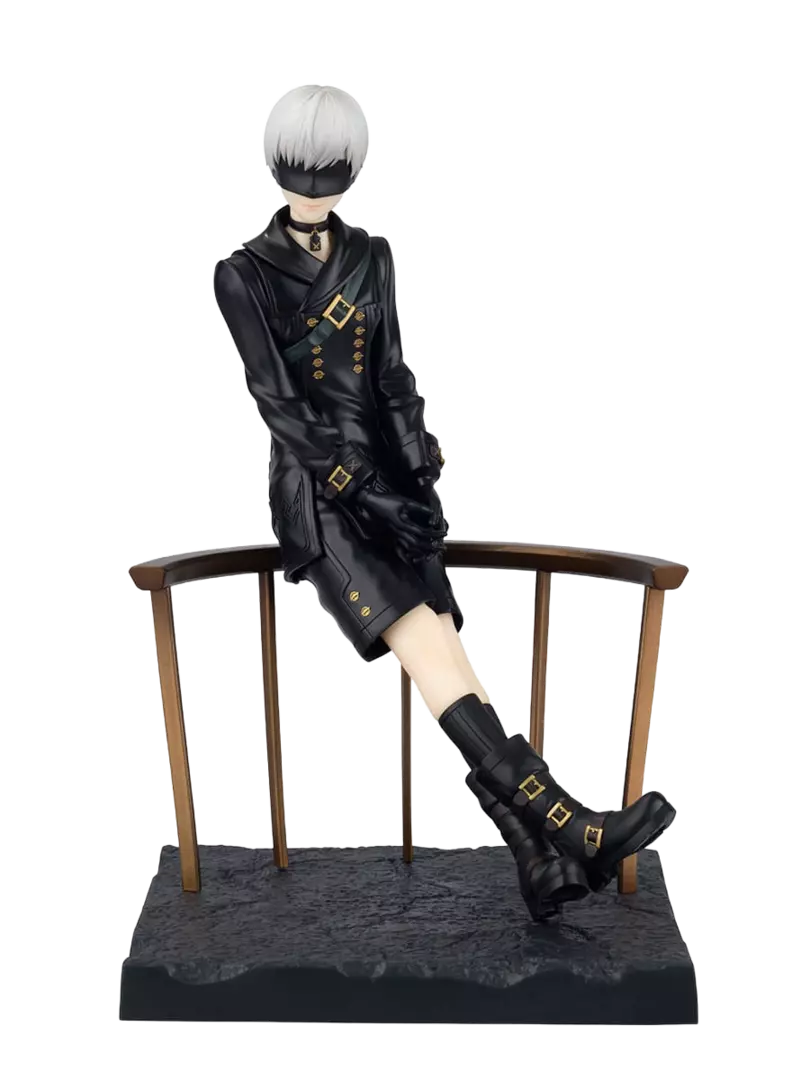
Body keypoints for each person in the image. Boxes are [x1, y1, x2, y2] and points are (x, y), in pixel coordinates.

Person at [212, 83, 676, 921]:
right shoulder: (241, 275)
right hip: (320, 496)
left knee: (450, 661)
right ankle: (575, 826)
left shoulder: (372, 256)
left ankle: (538, 858)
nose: (314, 188)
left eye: (329, 170)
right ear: (276, 165)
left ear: (351, 168)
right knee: (429, 646)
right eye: (301, 169)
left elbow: (391, 375)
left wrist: (420, 479)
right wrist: (362, 490)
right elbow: (281, 406)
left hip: (392, 480)